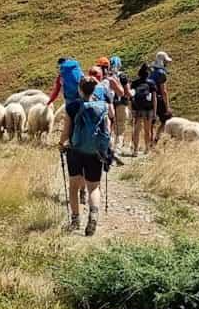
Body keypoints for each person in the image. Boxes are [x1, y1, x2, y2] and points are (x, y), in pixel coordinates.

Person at [61, 76, 115, 235]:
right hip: (95, 152)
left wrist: (60, 144)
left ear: (79, 89)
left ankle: (75, 220)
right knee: (93, 186)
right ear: (94, 90)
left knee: (73, 187)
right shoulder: (102, 106)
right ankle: (93, 214)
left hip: (75, 151)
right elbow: (107, 130)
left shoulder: (72, 106)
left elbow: (65, 132)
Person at [127, 64, 160, 158]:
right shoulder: (151, 83)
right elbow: (154, 98)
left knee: (136, 129)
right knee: (147, 130)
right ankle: (146, 149)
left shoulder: (135, 82)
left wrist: (131, 109)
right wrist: (155, 111)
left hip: (137, 109)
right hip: (148, 109)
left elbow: (131, 96)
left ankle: (135, 150)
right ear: (148, 73)